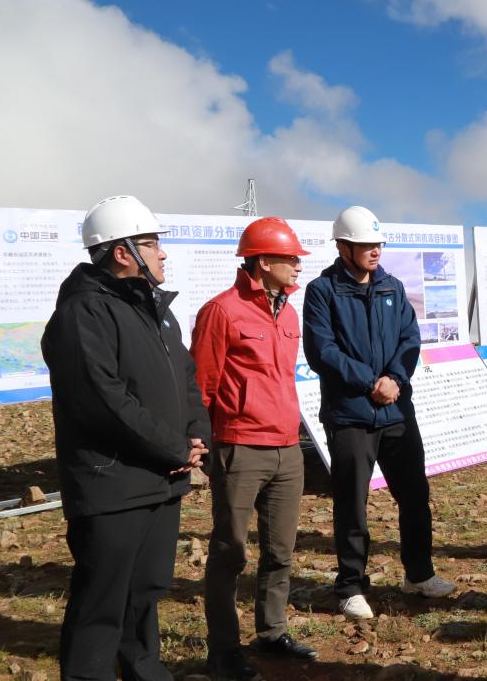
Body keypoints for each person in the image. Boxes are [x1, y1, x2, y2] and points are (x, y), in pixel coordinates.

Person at [42, 195, 210, 681]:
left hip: (161, 477)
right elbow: (103, 400)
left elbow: (186, 378)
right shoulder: (84, 312)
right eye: (152, 244)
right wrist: (173, 447)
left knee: (145, 591)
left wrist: (197, 435)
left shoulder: (154, 309)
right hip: (112, 483)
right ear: (122, 252)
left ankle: (145, 670)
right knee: (102, 601)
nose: (162, 253)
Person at [302, 206, 455, 620]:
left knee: (415, 495)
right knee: (352, 502)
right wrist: (372, 382)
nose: (375, 251)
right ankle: (351, 585)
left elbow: (410, 339)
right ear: (343, 247)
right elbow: (322, 351)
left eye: (378, 244)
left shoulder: (392, 286)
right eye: (366, 245)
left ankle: (419, 574)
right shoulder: (322, 291)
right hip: (350, 414)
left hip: (396, 410)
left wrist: (395, 379)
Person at [191, 217, 317, 679]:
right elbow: (201, 384)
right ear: (263, 261)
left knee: (280, 550)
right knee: (230, 552)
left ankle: (272, 631)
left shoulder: (289, 313)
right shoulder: (221, 311)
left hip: (287, 448)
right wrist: (202, 444)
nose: (298, 265)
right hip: (240, 448)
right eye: (291, 258)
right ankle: (223, 650)